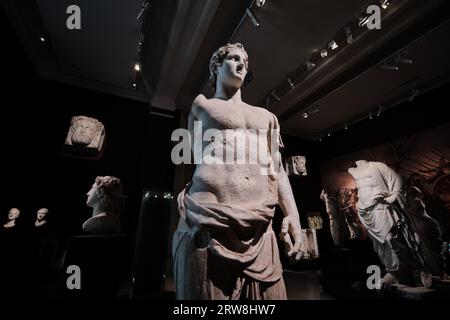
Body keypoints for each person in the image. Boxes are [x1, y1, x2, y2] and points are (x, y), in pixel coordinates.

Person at [172, 43, 303, 300]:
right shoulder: (202, 106)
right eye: (234, 58)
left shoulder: (266, 116)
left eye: (245, 61)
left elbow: (276, 169)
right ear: (217, 67)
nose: (242, 64)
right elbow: (197, 157)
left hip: (260, 225)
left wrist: (294, 216)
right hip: (208, 219)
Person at [348, 160, 442, 287]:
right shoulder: (353, 171)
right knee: (381, 246)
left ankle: (416, 269)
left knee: (391, 239)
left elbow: (397, 179)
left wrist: (393, 195)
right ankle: (394, 272)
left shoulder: (377, 166)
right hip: (365, 211)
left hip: (381, 207)